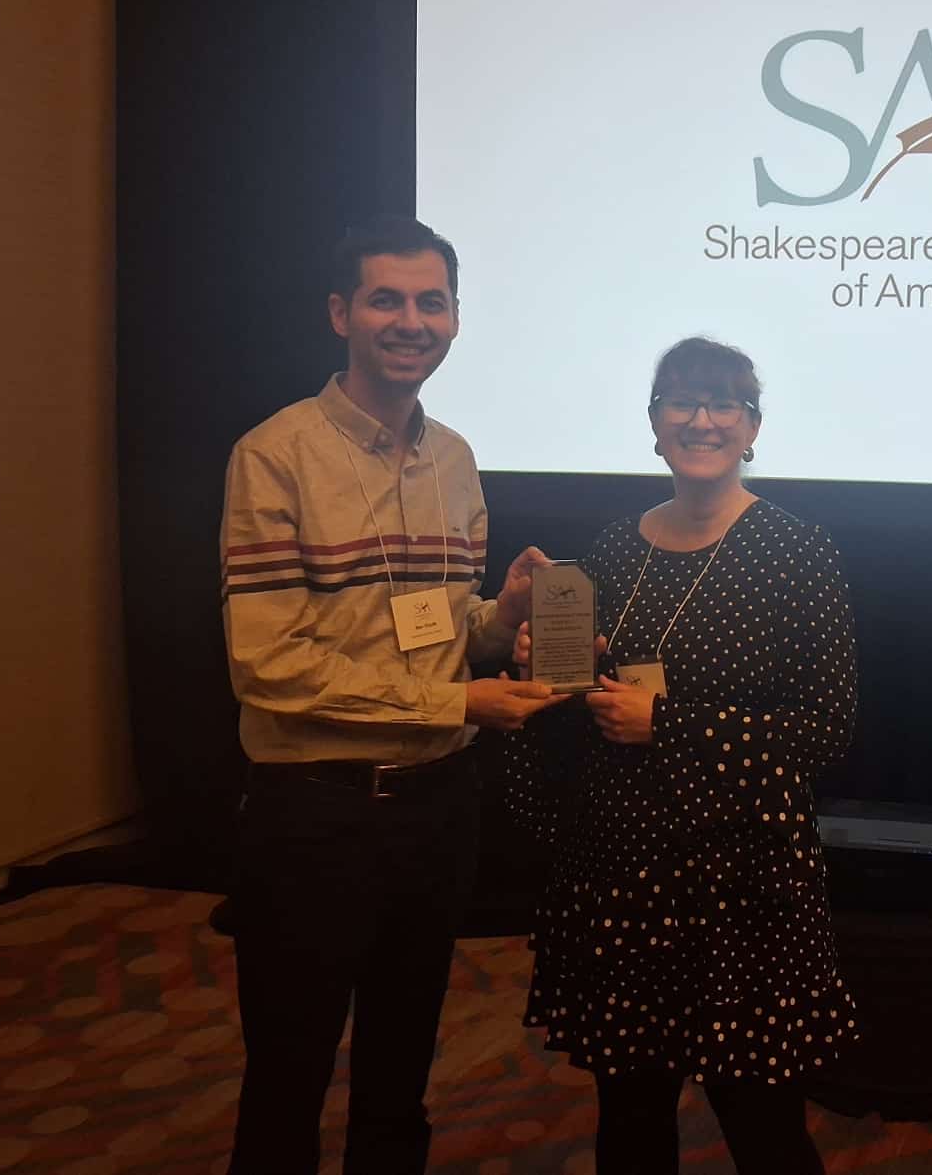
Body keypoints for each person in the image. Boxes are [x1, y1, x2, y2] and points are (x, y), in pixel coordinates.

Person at [219, 215, 558, 1174]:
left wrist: (501, 617)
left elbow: (442, 632)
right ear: (341, 314)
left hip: (437, 811)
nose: (412, 322)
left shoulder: (454, 457)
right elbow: (268, 664)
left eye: (431, 303)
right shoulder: (275, 455)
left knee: (402, 1065)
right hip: (316, 816)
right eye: (386, 300)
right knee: (288, 1070)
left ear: (455, 319)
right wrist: (461, 704)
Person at [508, 337, 858, 1175]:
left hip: (740, 883)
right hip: (621, 874)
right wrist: (540, 667)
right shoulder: (611, 550)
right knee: (631, 1119)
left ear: (752, 428)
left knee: (763, 1126)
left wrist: (668, 724)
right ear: (654, 422)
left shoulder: (799, 552)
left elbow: (826, 729)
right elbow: (583, 702)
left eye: (724, 403)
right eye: (681, 402)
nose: (702, 420)